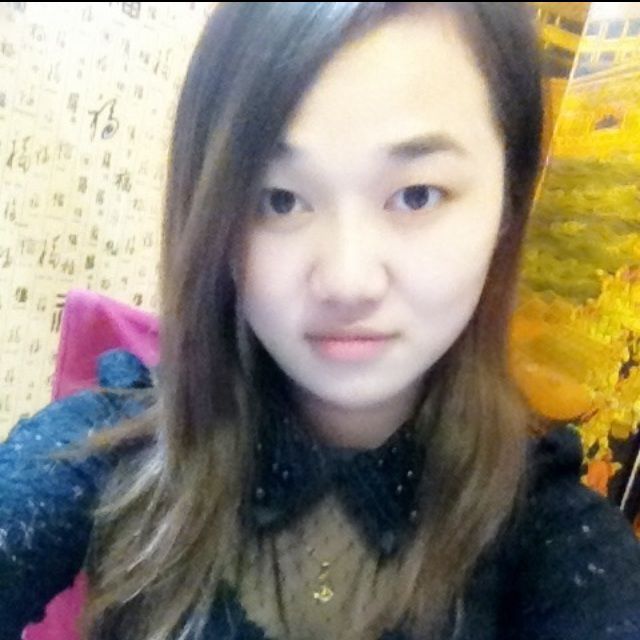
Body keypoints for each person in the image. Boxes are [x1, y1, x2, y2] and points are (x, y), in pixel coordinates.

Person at [1, 3, 640, 639]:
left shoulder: (551, 539)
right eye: (280, 199)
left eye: (416, 195)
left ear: (508, 199)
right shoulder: (111, 448)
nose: (346, 281)